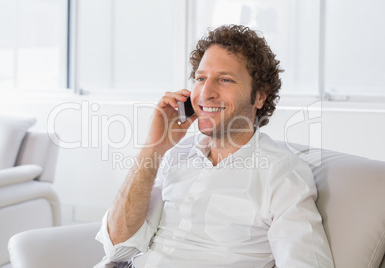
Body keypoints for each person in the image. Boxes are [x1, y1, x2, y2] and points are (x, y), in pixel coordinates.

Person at [95, 25, 334, 267]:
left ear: (260, 96)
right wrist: (153, 148)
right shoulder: (176, 155)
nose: (205, 93)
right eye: (200, 78)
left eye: (225, 80)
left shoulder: (282, 176)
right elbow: (118, 247)